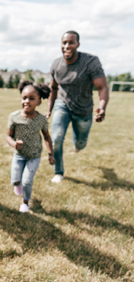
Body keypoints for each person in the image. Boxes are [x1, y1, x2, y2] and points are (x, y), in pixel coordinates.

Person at [46, 30, 109, 183]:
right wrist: (49, 109)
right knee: (56, 137)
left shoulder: (91, 62)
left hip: (84, 109)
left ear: (77, 44)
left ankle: (78, 144)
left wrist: (102, 107)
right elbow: (53, 88)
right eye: (64, 42)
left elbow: (102, 88)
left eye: (71, 42)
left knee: (81, 143)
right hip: (63, 104)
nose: (67, 46)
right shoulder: (56, 64)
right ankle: (58, 172)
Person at [7, 81, 55, 213]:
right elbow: (8, 136)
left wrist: (51, 154)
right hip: (19, 155)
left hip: (34, 156)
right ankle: (17, 184)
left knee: (27, 181)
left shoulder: (41, 120)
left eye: (32, 98)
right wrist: (13, 144)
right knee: (16, 181)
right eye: (24, 98)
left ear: (39, 102)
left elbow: (46, 137)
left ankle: (25, 202)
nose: (27, 101)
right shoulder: (14, 117)